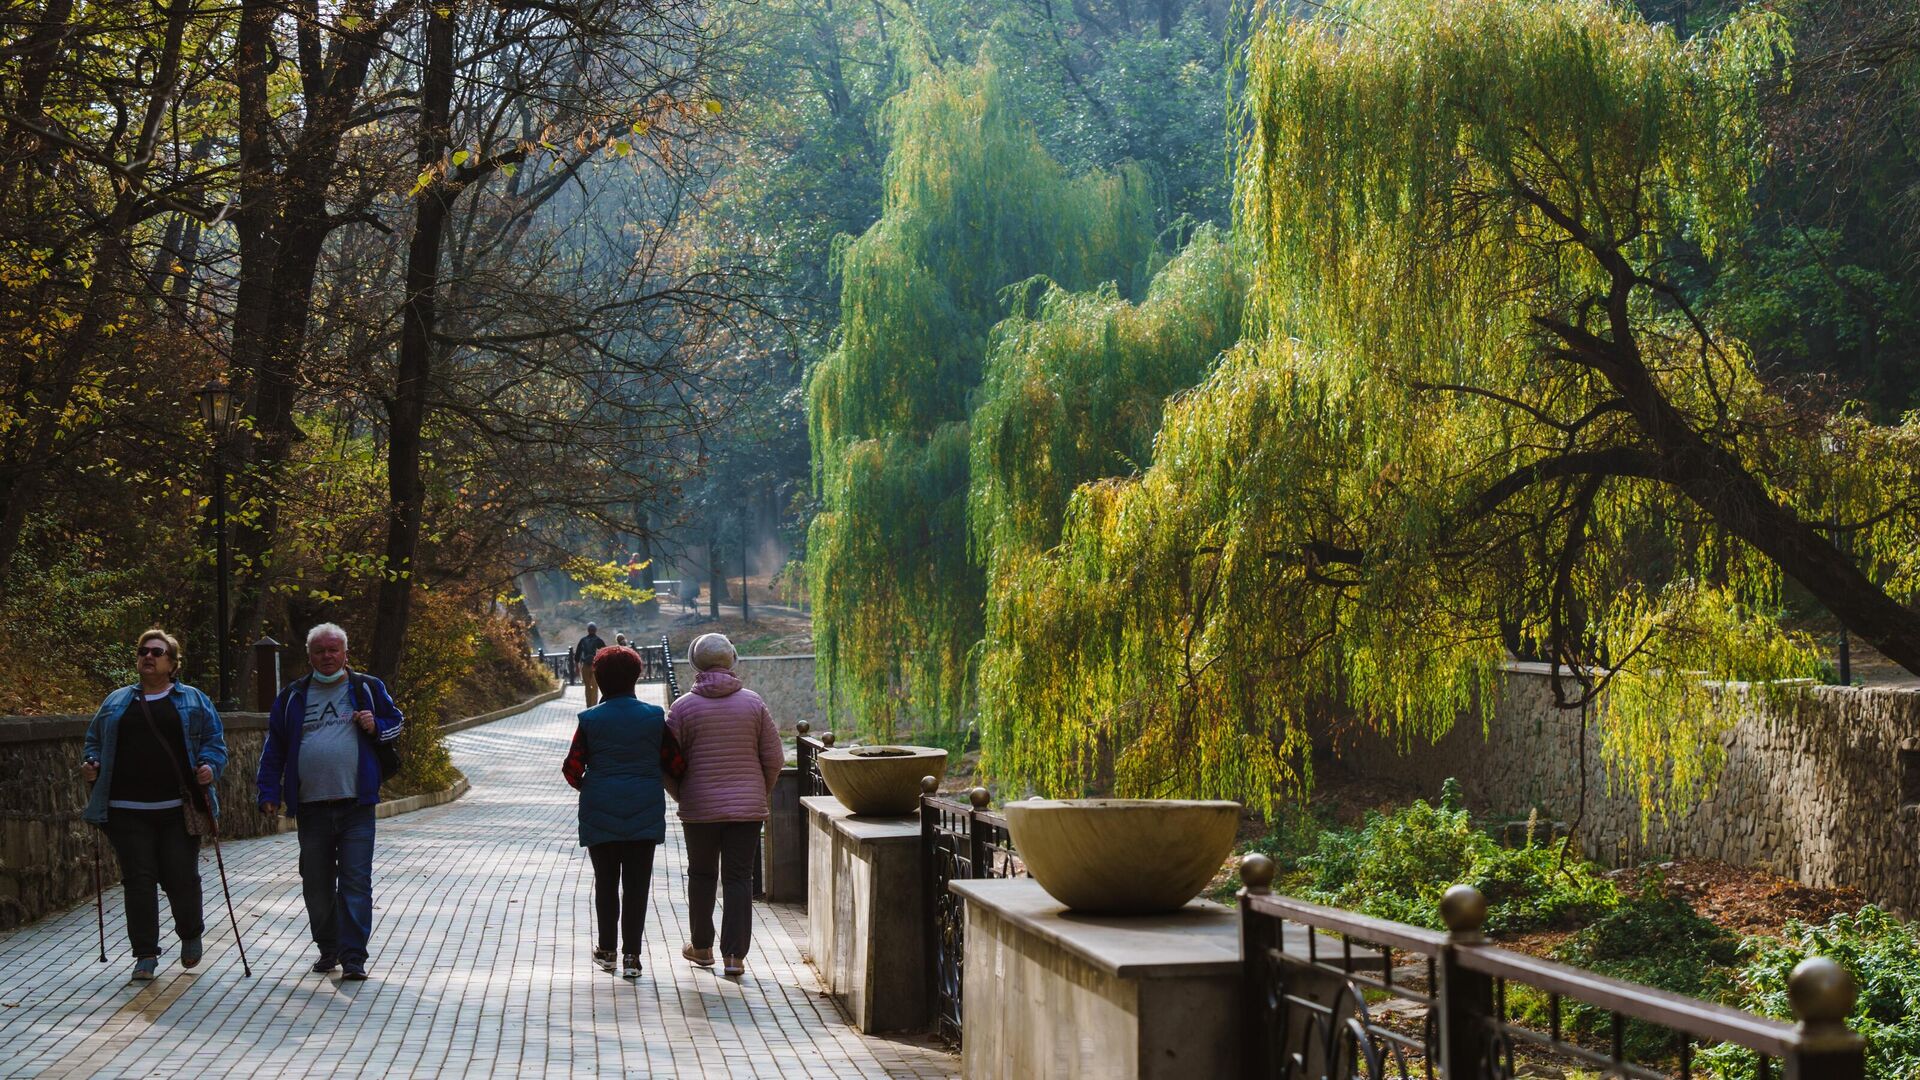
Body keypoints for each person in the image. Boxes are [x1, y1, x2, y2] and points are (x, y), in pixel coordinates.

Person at [256, 623, 404, 980]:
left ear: (345, 654)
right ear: (309, 656)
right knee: (316, 884)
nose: (327, 656)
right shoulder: (292, 696)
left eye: (333, 650)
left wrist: (375, 726)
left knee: (355, 881)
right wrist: (268, 792)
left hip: (356, 806)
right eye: (320, 650)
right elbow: (274, 747)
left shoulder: (366, 688)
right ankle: (329, 947)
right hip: (310, 808)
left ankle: (354, 956)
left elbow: (396, 722)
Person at [81, 629, 227, 980]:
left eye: (157, 652)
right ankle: (145, 954)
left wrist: (209, 766)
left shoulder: (193, 699)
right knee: (138, 880)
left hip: (178, 808)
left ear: (172, 664)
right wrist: (91, 763)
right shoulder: (116, 701)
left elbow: (214, 743)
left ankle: (190, 932)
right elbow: (94, 740)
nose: (148, 656)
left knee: (180, 878)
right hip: (124, 808)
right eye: (143, 651)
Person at [561, 646, 685, 978]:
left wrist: (593, 786)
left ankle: (607, 951)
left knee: (606, 883)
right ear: (637, 676)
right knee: (637, 885)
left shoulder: (589, 720)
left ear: (598, 678)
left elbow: (572, 768)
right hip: (644, 807)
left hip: (599, 807)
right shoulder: (652, 716)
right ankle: (632, 956)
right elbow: (675, 762)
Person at [666, 633, 782, 977]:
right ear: (731, 659)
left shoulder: (682, 707)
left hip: (699, 808)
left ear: (694, 663)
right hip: (746, 809)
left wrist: (682, 794)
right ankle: (734, 957)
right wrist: (759, 792)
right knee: (739, 878)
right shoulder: (753, 703)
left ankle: (701, 947)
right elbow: (774, 758)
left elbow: (667, 761)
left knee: (701, 875)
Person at [574, 623, 606, 707]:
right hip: (595, 666)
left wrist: (576, 666)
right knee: (595, 687)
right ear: (596, 630)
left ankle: (589, 705)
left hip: (585, 665)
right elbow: (605, 653)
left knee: (587, 686)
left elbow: (577, 654)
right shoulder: (598, 640)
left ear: (588, 630)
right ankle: (594, 705)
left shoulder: (583, 640)